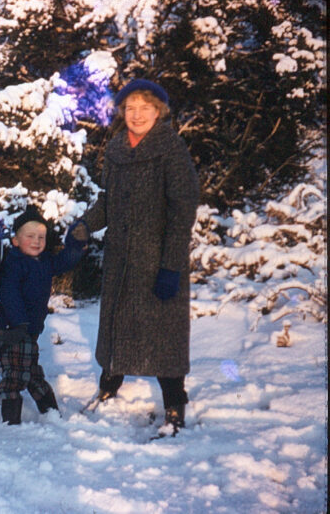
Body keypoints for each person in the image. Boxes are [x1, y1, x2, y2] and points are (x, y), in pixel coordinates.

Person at [80, 78, 199, 436]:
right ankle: (109, 386)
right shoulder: (116, 149)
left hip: (159, 259)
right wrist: (85, 226)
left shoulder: (172, 150)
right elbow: (108, 199)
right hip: (121, 259)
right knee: (117, 326)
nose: (136, 115)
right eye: (130, 108)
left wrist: (171, 266)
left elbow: (183, 211)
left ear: (158, 111)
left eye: (144, 108)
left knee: (164, 336)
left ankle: (175, 407)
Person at [0, 206, 88, 424]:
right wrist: (19, 324)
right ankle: (11, 420)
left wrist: (76, 247)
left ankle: (51, 413)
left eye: (41, 237)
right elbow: (10, 294)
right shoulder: (12, 264)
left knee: (32, 373)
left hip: (30, 329)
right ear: (16, 241)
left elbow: (63, 262)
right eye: (30, 236)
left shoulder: (44, 261)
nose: (37, 241)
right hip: (12, 329)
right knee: (15, 376)